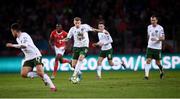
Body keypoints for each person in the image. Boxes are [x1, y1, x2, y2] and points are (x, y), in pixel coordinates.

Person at [6, 23, 57, 91]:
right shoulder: (18, 39)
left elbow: (25, 45)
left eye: (12, 31)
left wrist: (12, 45)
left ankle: (52, 87)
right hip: (28, 58)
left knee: (40, 73)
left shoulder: (24, 35)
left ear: (14, 30)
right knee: (23, 74)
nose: (12, 33)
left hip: (36, 55)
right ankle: (41, 75)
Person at [63, 17, 103, 81]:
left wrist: (100, 30)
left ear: (80, 22)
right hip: (76, 47)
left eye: (78, 23)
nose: (77, 24)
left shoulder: (85, 26)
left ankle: (74, 76)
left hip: (84, 46)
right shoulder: (72, 29)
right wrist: (62, 40)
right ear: (74, 23)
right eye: (76, 23)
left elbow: (93, 29)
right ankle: (79, 73)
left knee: (81, 58)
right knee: (73, 65)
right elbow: (68, 38)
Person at [144, 15, 165, 80]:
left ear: (157, 21)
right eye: (151, 20)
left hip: (157, 48)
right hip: (150, 47)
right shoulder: (149, 27)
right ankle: (146, 76)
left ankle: (161, 71)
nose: (152, 21)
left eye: (154, 20)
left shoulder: (160, 28)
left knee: (157, 63)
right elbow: (148, 36)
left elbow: (163, 38)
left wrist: (156, 39)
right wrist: (148, 43)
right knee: (148, 61)